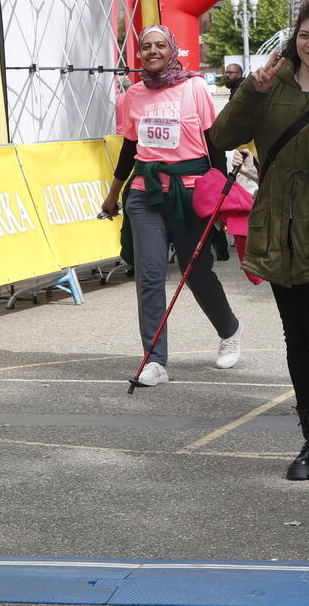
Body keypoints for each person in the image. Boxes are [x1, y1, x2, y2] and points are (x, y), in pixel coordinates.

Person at [211, 0, 309, 481]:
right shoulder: (270, 85)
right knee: (296, 338)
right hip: (277, 230)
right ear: (293, 38)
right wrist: (249, 94)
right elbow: (221, 137)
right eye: (305, 34)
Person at [99, 25, 242, 387]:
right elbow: (130, 149)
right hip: (145, 193)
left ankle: (229, 329)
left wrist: (220, 195)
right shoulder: (132, 95)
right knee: (149, 277)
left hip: (192, 192)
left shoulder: (195, 87)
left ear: (172, 50)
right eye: (146, 46)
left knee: (196, 273)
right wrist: (114, 193)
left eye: (160, 45)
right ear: (139, 54)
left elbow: (214, 145)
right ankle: (154, 360)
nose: (152, 51)